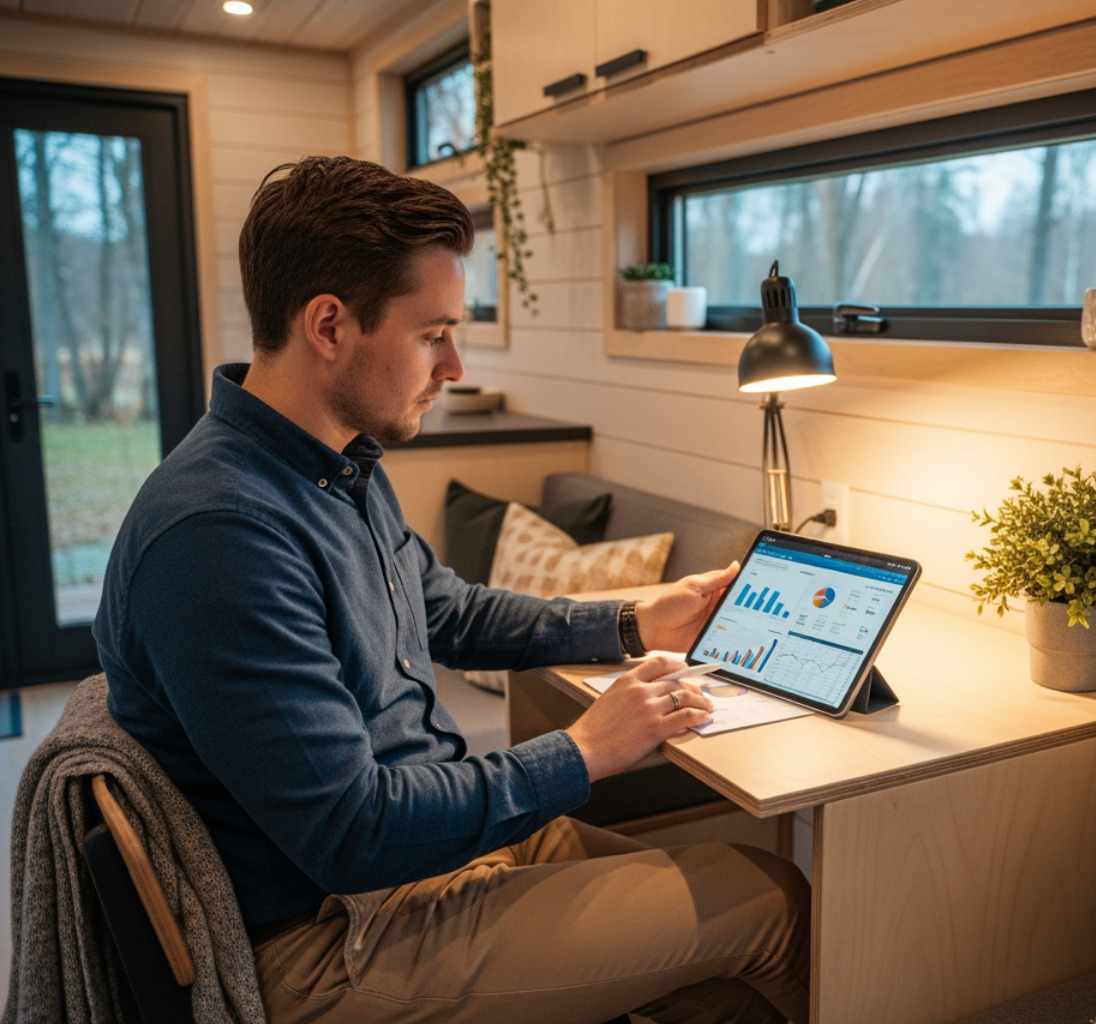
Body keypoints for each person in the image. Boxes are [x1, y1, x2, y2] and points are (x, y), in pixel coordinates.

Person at [94, 155, 810, 1024]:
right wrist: (584, 750)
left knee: (717, 958)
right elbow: (352, 832)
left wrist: (631, 619)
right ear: (329, 325)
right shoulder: (220, 535)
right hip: (334, 935)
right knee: (766, 898)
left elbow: (445, 608)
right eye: (433, 333)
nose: (457, 364)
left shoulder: (339, 465)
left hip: (422, 846)